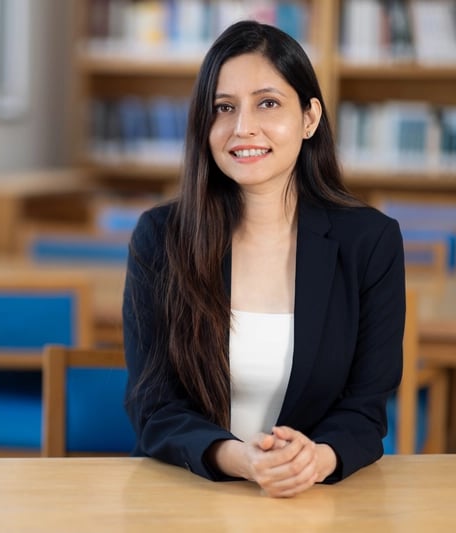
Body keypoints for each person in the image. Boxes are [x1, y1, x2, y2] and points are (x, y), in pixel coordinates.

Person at [122, 20, 405, 498]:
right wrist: (243, 460)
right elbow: (153, 405)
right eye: (224, 108)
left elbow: (366, 408)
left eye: (268, 103)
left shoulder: (370, 241)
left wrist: (314, 460)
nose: (242, 128)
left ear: (310, 118)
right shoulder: (160, 237)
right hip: (186, 492)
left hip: (315, 497)